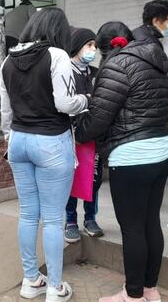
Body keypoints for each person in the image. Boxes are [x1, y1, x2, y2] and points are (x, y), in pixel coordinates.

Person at [76, 0, 168, 302]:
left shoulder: (116, 65)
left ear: (105, 47)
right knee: (150, 222)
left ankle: (132, 296)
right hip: (162, 150)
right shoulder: (155, 60)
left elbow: (98, 118)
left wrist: (79, 132)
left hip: (132, 156)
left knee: (132, 229)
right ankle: (150, 289)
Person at [0, 8, 88, 302]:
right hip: (51, 141)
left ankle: (30, 281)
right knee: (52, 219)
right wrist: (85, 100)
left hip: (19, 141)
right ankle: (55, 287)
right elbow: (65, 104)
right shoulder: (57, 56)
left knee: (27, 213)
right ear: (58, 30)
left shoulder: (7, 60)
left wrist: (10, 140)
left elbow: (6, 113)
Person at [64, 27, 104, 243]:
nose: (93, 50)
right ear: (77, 46)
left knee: (93, 179)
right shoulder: (64, 71)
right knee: (71, 180)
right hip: (70, 135)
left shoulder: (96, 73)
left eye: (95, 46)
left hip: (93, 134)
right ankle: (70, 220)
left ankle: (90, 218)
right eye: (89, 45)